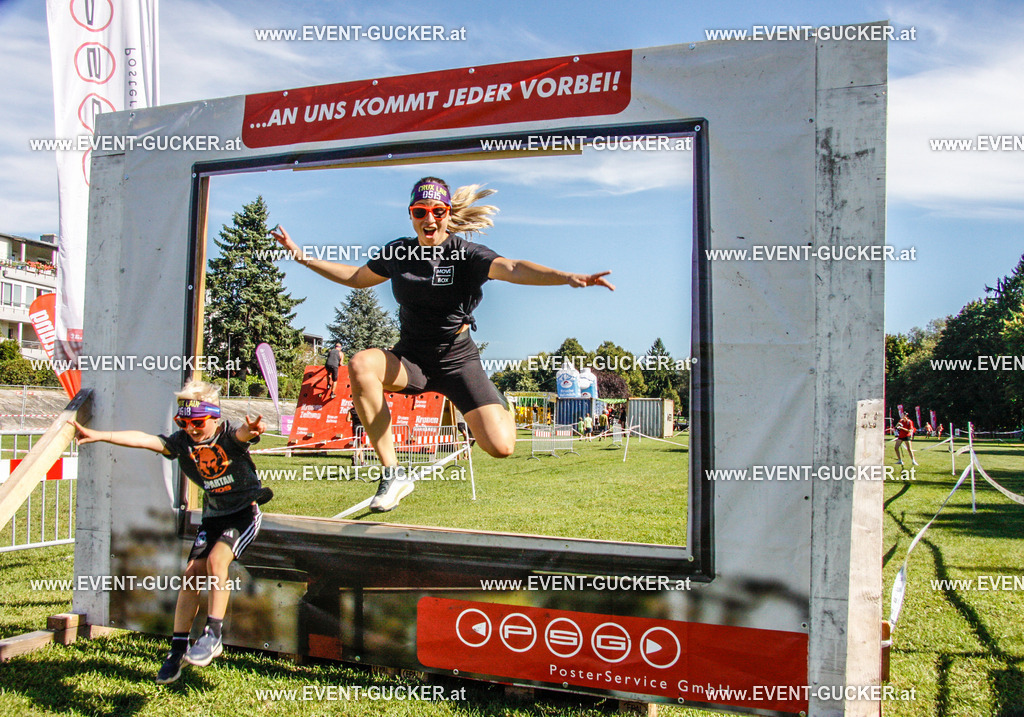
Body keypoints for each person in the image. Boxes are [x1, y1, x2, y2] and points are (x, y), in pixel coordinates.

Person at [272, 177, 613, 512]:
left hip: (458, 360)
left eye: (438, 210)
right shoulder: (398, 252)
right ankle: (393, 473)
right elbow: (356, 278)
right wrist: (302, 257)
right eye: (420, 211)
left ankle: (497, 406)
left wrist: (565, 277)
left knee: (501, 447)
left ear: (448, 213)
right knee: (361, 363)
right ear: (411, 215)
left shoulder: (466, 254)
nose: (429, 218)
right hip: (411, 359)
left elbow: (512, 267)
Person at [70, 380, 268, 684]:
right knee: (191, 573)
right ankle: (177, 648)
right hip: (214, 517)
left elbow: (244, 434)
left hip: (243, 515)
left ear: (215, 418)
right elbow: (145, 439)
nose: (191, 428)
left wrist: (252, 431)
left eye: (198, 422)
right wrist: (100, 435)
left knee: (216, 563)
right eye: (183, 422)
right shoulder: (182, 442)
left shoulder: (228, 436)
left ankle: (213, 634)